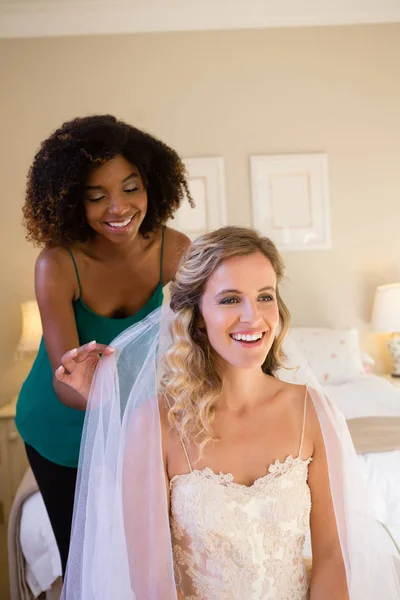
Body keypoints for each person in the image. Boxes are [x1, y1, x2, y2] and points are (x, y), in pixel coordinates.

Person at [58, 227, 400, 599]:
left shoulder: (314, 411)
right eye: (231, 299)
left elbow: (334, 557)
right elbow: (151, 582)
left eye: (265, 296)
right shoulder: (153, 423)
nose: (253, 317)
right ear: (198, 315)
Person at [15, 114, 192, 575]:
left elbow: (212, 320)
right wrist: (88, 382)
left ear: (151, 184)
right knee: (85, 560)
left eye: (131, 188)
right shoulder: (57, 264)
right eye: (97, 196)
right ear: (73, 202)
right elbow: (66, 385)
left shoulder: (173, 250)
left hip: (134, 420)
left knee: (144, 557)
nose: (118, 207)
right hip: (61, 426)